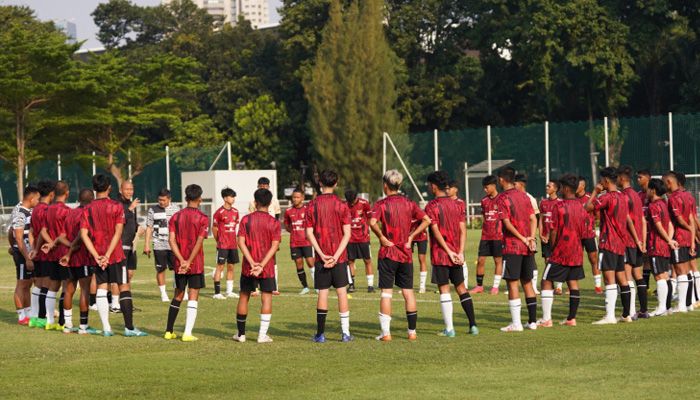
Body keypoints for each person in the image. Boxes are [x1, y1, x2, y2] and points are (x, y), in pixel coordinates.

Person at [80, 174, 147, 337]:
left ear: (94, 188)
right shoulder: (116, 206)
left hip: (99, 255)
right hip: (115, 254)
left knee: (102, 289)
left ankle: (107, 328)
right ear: (109, 187)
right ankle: (129, 328)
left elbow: (83, 234)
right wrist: (108, 254)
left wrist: (97, 256)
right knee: (124, 287)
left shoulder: (87, 208)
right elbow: (118, 232)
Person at [370, 170, 431, 341]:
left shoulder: (381, 204)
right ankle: (412, 332)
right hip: (405, 254)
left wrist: (381, 237)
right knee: (408, 292)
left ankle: (386, 333)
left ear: (385, 185)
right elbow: (427, 219)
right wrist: (411, 236)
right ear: (399, 185)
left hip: (388, 253)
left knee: (386, 293)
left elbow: (372, 222)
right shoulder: (409, 203)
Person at [425, 171, 479, 337]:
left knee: (444, 289)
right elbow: (463, 230)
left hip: (441, 255)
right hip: (457, 254)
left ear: (434, 186)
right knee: (461, 288)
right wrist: (460, 252)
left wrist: (448, 251)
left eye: (429, 185)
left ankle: (449, 329)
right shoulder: (458, 204)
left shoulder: (432, 206)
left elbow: (435, 231)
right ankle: (473, 326)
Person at [305, 170, 353, 343]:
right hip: (339, 258)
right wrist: (335, 256)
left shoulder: (312, 205)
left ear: (320, 183)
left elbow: (309, 233)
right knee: (341, 292)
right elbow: (347, 234)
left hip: (321, 258)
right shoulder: (342, 205)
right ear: (336, 183)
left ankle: (320, 334)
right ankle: (345, 333)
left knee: (323, 294)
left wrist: (322, 255)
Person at [232, 188, 281, 344]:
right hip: (266, 267)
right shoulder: (274, 222)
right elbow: (274, 246)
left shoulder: (246, 220)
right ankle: (262, 335)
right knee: (266, 299)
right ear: (270, 202)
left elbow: (240, 242)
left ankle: (241, 335)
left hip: (249, 267)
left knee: (244, 297)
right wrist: (261, 265)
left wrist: (252, 262)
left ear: (255, 202)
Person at [538, 175, 588, 327]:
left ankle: (547, 319)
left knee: (546, 281)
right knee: (573, 283)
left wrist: (553, 248)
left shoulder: (558, 207)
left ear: (566, 188)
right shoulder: (581, 206)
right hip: (576, 251)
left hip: (561, 251)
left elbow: (553, 231)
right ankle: (571, 318)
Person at [585, 167, 633, 324]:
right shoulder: (622, 196)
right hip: (620, 242)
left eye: (601, 180)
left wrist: (594, 191)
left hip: (608, 242)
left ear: (605, 180)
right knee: (622, 278)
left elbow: (587, 207)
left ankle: (610, 316)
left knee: (609, 279)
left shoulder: (606, 197)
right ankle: (626, 315)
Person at [164, 184, 209, 342]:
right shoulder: (203, 218)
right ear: (200, 199)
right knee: (193, 295)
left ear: (185, 198)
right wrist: (189, 260)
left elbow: (171, 240)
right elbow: (199, 242)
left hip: (179, 263)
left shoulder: (176, 216)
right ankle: (187, 333)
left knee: (178, 294)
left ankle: (169, 331)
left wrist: (182, 260)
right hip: (194, 263)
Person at [498, 167, 538, 332]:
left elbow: (507, 223)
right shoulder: (524, 196)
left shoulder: (503, 198)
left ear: (501, 180)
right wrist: (531, 238)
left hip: (512, 246)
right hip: (527, 246)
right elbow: (533, 218)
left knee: (512, 284)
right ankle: (533, 322)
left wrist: (521, 238)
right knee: (527, 283)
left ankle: (516, 324)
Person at [59, 188, 100, 334]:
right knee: (85, 290)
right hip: (82, 258)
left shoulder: (70, 213)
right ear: (92, 200)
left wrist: (69, 247)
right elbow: (83, 235)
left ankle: (68, 325)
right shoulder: (87, 213)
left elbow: (61, 236)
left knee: (68, 290)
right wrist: (73, 248)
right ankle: (83, 326)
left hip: (68, 259)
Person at [40, 180, 73, 330]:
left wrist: (51, 243)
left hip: (52, 254)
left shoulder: (48, 210)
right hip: (64, 254)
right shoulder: (67, 211)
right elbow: (65, 235)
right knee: (66, 287)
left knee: (53, 286)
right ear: (67, 193)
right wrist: (69, 245)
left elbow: (43, 231)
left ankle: (49, 321)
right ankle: (63, 321)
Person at [618, 165, 648, 318]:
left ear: (622, 178)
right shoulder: (636, 195)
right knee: (639, 275)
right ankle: (643, 310)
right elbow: (642, 220)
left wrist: (636, 239)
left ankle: (629, 312)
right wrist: (642, 241)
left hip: (629, 241)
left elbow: (628, 219)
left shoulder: (623, 196)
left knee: (626, 276)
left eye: (617, 177)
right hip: (638, 242)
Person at [664, 171, 696, 313]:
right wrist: (693, 237)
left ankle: (682, 305)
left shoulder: (673, 198)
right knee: (687, 271)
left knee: (679, 271)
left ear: (670, 182)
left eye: (665, 182)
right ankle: (689, 303)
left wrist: (688, 229)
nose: (665, 186)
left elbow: (680, 219)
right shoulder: (688, 196)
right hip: (688, 238)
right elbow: (691, 219)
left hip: (678, 238)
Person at [645, 178, 676, 316]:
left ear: (653, 190)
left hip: (656, 244)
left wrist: (668, 240)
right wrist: (669, 240)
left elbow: (658, 226)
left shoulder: (653, 206)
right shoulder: (664, 203)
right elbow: (669, 224)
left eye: (648, 188)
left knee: (659, 276)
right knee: (665, 276)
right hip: (664, 245)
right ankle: (667, 307)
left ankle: (662, 307)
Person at [10, 185, 40, 325]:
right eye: (37, 199)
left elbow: (12, 232)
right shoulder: (20, 212)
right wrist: (27, 257)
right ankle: (21, 316)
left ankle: (28, 313)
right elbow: (18, 237)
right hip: (22, 253)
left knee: (27, 283)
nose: (38, 201)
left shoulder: (28, 210)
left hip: (28, 253)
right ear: (32, 198)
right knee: (21, 284)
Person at [144, 188, 181, 302]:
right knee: (160, 270)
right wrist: (147, 245)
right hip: (159, 244)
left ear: (169, 199)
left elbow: (180, 227)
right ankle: (163, 294)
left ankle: (180, 292)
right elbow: (149, 228)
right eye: (160, 200)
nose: (161, 202)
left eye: (164, 200)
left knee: (178, 269)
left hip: (173, 244)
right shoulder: (153, 210)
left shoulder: (176, 209)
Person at [28, 180, 55, 329]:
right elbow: (42, 233)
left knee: (38, 284)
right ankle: (42, 317)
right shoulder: (46, 210)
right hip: (45, 252)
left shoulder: (36, 209)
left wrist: (33, 249)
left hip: (38, 252)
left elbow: (32, 232)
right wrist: (50, 244)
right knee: (46, 284)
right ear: (51, 194)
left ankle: (34, 316)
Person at [248, 177, 281, 295]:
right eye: (261, 185)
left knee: (273, 259)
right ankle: (255, 287)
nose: (263, 187)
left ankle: (274, 286)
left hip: (270, 232)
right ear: (258, 186)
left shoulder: (274, 201)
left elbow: (277, 217)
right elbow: (251, 219)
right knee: (255, 257)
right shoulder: (253, 202)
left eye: (265, 185)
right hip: (257, 234)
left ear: (268, 186)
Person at [471, 175, 503, 295]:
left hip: (498, 236)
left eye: (486, 187)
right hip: (485, 236)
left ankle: (495, 287)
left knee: (498, 261)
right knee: (480, 260)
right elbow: (484, 217)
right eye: (484, 188)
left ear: (494, 186)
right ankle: (479, 286)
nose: (485, 190)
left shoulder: (502, 199)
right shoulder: (484, 201)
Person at [284, 188, 315, 294]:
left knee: (311, 262)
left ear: (302, 198)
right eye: (294, 197)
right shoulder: (288, 211)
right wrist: (293, 232)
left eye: (297, 197)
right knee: (299, 263)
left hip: (307, 242)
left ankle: (318, 286)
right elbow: (287, 225)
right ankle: (305, 286)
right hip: (294, 242)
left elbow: (314, 224)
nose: (295, 199)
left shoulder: (308, 210)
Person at [514, 174, 541, 294]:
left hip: (528, 235)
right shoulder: (513, 197)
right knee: (516, 259)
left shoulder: (530, 198)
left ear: (522, 184)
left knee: (531, 259)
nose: (513, 186)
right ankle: (514, 284)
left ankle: (534, 286)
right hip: (516, 235)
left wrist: (532, 237)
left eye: (515, 184)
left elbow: (534, 218)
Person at [212, 188, 240, 299]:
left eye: (234, 197)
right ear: (225, 198)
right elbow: (214, 228)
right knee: (220, 267)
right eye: (231, 196)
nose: (233, 199)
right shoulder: (219, 212)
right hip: (223, 245)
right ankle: (217, 293)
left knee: (231, 267)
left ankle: (229, 291)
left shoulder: (236, 212)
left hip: (233, 244)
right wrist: (218, 241)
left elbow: (235, 228)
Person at [576, 177, 603, 294]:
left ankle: (598, 286)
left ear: (582, 186)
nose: (575, 187)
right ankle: (573, 285)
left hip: (589, 234)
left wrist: (592, 225)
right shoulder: (572, 199)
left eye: (577, 185)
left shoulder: (589, 198)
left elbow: (598, 215)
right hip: (576, 235)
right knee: (575, 260)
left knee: (593, 259)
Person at [345, 190, 374, 293]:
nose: (351, 204)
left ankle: (370, 286)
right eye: (350, 202)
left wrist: (368, 230)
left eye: (353, 201)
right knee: (350, 261)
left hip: (363, 238)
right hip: (350, 239)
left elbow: (370, 218)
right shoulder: (344, 205)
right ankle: (351, 284)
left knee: (367, 261)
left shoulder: (364, 203)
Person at [539, 179, 563, 294]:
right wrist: (540, 234)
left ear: (556, 189)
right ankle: (551, 286)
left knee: (558, 260)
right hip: (545, 238)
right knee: (547, 261)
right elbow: (541, 219)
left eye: (549, 186)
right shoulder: (543, 202)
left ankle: (559, 286)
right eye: (546, 186)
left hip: (557, 237)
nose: (547, 187)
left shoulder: (560, 203)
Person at [447, 180, 469, 287]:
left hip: (457, 236)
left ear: (455, 189)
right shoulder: (444, 202)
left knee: (461, 260)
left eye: (449, 188)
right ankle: (444, 284)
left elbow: (462, 224)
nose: (447, 190)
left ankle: (464, 284)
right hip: (446, 236)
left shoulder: (460, 203)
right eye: (446, 188)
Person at [119, 181, 139, 285]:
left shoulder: (131, 204)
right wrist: (130, 209)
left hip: (132, 245)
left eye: (131, 189)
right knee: (122, 275)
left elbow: (133, 222)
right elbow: (119, 220)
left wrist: (139, 228)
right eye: (127, 189)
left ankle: (124, 297)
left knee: (130, 273)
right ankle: (115, 299)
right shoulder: (117, 204)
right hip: (121, 244)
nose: (129, 192)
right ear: (121, 190)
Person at [637, 169, 653, 291]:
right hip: (642, 231)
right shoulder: (638, 195)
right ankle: (645, 286)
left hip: (654, 231)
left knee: (657, 259)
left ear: (648, 178)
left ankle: (665, 285)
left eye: (640, 177)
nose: (638, 179)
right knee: (645, 258)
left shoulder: (654, 194)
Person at [410, 214, 429, 294]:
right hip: (409, 236)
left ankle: (422, 286)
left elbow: (426, 221)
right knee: (407, 260)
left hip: (421, 237)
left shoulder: (417, 211)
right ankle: (407, 286)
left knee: (422, 259)